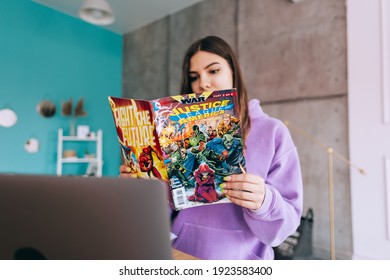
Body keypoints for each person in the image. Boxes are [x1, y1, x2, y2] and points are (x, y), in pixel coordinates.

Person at [120, 35, 303, 260]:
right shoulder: (179, 134)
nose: (202, 83)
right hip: (180, 255)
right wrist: (141, 189)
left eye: (213, 71)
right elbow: (159, 213)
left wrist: (265, 200)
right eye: (194, 76)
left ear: (233, 72)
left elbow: (286, 227)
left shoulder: (273, 132)